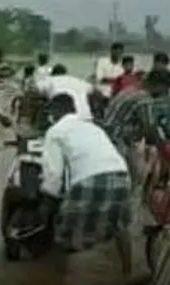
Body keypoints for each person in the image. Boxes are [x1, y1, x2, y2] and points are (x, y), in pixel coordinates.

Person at [38, 91, 135, 275]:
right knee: (120, 227)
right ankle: (128, 275)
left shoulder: (55, 131)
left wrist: (46, 205)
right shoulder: (93, 127)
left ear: (55, 112)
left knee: (62, 235)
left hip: (90, 179)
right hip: (121, 175)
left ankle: (56, 284)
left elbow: (54, 175)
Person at [102, 67, 170, 183]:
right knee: (135, 179)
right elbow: (150, 128)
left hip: (106, 137)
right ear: (159, 85)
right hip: (118, 141)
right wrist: (165, 150)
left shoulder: (130, 90)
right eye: (165, 89)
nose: (164, 94)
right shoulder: (143, 98)